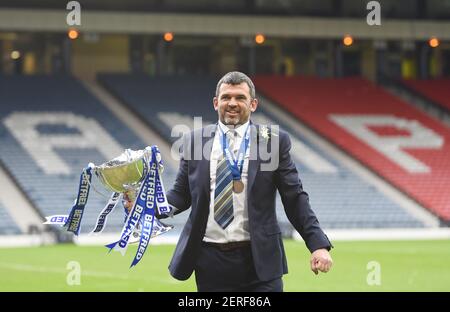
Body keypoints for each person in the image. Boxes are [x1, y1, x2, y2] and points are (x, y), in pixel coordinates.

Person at [161, 71, 333, 292]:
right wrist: (146, 207)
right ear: (216, 103)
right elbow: (181, 195)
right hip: (209, 261)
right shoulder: (194, 141)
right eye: (226, 97)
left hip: (259, 260)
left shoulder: (273, 141)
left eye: (240, 97)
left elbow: (294, 197)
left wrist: (317, 244)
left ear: (253, 104)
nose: (232, 103)